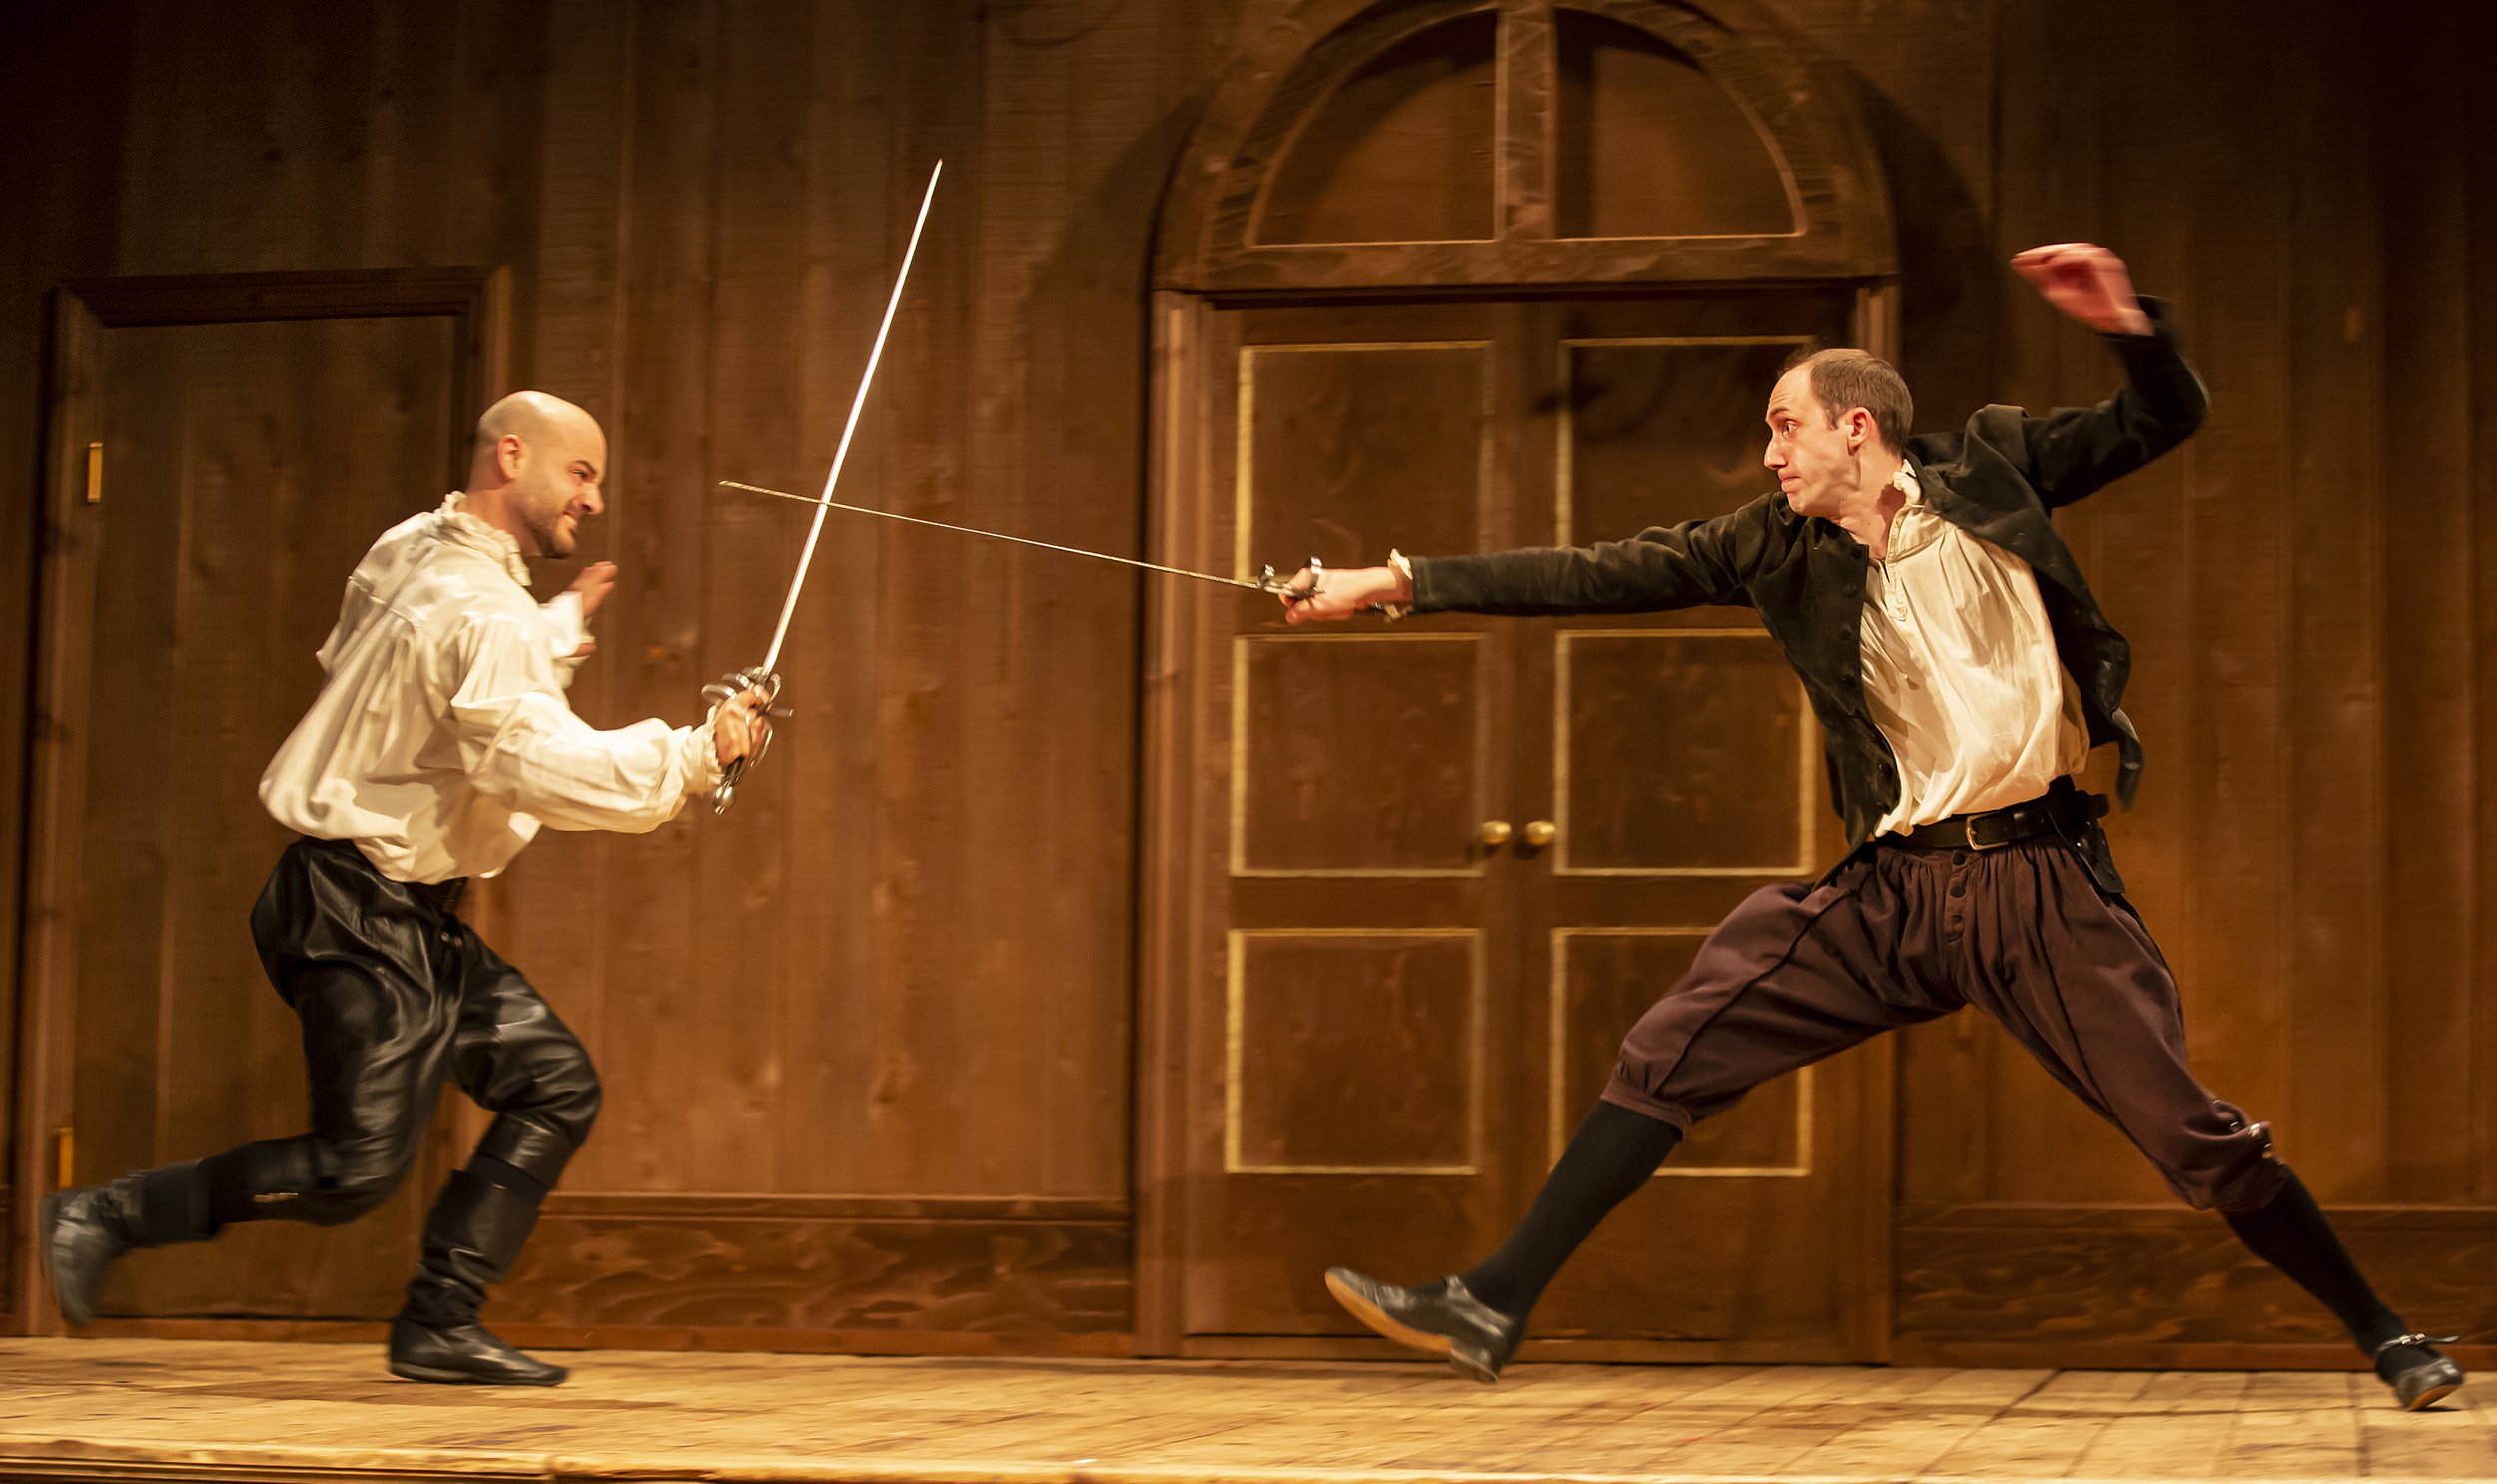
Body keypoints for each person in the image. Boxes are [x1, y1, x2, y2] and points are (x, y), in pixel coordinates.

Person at [1285, 246, 2465, 1412]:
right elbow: (1594, 572)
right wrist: (1389, 584)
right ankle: (1494, 1298)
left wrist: (2127, 327)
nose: (1769, 452)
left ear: (1855, 426)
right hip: (1893, 893)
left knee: (2190, 1135)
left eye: (1782, 425)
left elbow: (2162, 417)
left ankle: (2385, 1330)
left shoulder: (1996, 463)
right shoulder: (1771, 544)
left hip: (2038, 884)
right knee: (1674, 1044)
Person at [41, 391, 774, 1387]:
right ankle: (105, 1214)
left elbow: (405, 660)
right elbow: (535, 765)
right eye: (582, 472)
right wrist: (699, 754)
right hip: (357, 906)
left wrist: (548, 628)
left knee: (553, 1085)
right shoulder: (486, 612)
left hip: (386, 904)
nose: (594, 499)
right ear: (513, 456)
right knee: (354, 1172)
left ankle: (438, 1321)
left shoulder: (411, 552)